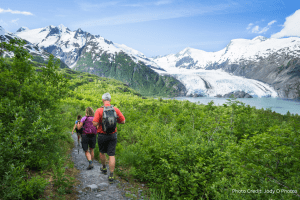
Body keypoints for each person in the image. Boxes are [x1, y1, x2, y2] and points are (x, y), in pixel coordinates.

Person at [93, 93, 125, 184]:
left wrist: (99, 123)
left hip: (102, 135)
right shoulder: (116, 109)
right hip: (112, 135)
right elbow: (123, 121)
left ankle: (103, 167)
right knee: (111, 154)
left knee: (102, 152)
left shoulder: (99, 110)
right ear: (110, 100)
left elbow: (94, 123)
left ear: (103, 100)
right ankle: (111, 174)